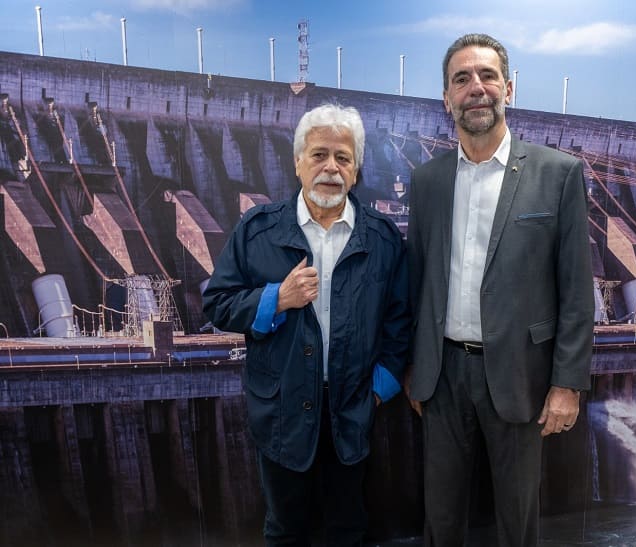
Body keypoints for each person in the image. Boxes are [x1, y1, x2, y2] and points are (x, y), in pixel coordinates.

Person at [405, 34, 594, 546]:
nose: (476, 88)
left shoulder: (558, 174)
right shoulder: (427, 181)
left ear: (508, 87)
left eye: (487, 76)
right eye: (461, 79)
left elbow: (578, 291)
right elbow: (415, 280)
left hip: (521, 379)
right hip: (441, 379)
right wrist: (412, 367)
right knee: (441, 524)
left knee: (517, 525)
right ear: (446, 98)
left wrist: (568, 384)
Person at [203, 103, 410, 547]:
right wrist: (276, 298)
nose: (330, 168)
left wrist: (378, 390)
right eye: (319, 155)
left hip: (352, 410)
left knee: (347, 530)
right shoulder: (258, 231)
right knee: (286, 531)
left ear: (356, 170)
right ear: (298, 163)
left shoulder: (382, 239)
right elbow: (217, 302)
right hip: (280, 411)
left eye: (343, 157)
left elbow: (400, 322)